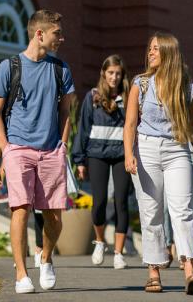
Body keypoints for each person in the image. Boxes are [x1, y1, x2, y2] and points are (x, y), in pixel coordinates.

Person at [0, 9, 75, 295]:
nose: (61, 38)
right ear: (40, 34)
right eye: (56, 34)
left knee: (54, 217)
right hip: (18, 148)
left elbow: (66, 109)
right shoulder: (9, 67)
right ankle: (21, 275)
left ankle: (46, 257)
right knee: (21, 209)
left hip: (51, 150)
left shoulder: (60, 69)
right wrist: (6, 147)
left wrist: (63, 144)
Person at [124, 32, 193, 295]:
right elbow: (129, 124)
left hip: (177, 149)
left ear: (169, 52)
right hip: (146, 149)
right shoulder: (141, 83)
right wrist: (128, 153)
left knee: (182, 210)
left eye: (156, 49)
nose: (150, 53)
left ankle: (190, 272)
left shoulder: (188, 88)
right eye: (150, 48)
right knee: (152, 213)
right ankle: (154, 272)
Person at [72, 54, 131, 269]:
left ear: (122, 75)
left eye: (118, 73)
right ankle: (99, 242)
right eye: (110, 73)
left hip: (121, 156)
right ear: (103, 74)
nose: (114, 77)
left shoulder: (128, 97)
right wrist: (79, 160)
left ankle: (118, 253)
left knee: (121, 202)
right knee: (99, 202)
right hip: (97, 154)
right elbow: (83, 127)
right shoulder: (93, 97)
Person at [164, 95, 193, 269]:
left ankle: (186, 253)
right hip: (170, 152)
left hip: (192, 154)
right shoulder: (167, 95)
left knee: (187, 205)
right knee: (166, 205)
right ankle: (168, 246)